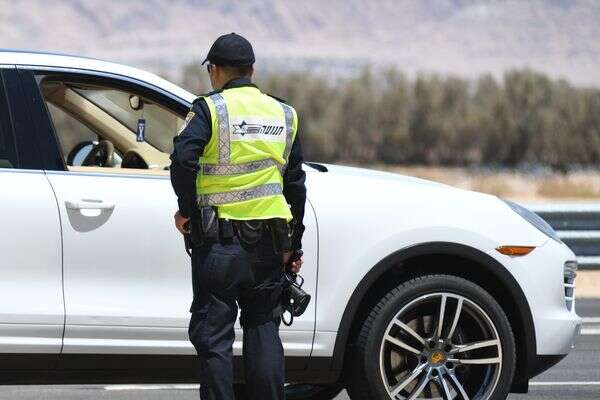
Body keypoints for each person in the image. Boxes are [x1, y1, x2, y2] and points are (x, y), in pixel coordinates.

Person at [169, 32, 307, 400]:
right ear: (252, 70)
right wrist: (294, 246)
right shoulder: (284, 114)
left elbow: (182, 161)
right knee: (264, 328)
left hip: (220, 244)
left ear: (214, 70)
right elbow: (295, 186)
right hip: (271, 244)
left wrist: (187, 212)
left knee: (214, 336)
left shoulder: (209, 109)